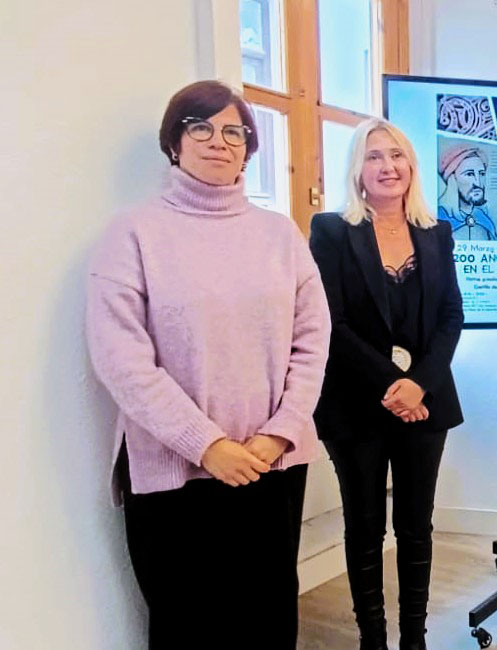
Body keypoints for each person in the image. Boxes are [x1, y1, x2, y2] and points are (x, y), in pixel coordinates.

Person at [86, 80, 331, 650]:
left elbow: (312, 340)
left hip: (270, 464)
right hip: (173, 472)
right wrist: (206, 444)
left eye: (234, 132)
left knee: (267, 618)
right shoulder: (133, 232)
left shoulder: (281, 234)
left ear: (248, 147)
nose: (218, 142)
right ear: (174, 142)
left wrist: (281, 433)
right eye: (201, 127)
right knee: (187, 623)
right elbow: (120, 358)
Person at [310, 118, 464, 650]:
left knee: (416, 526)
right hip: (354, 401)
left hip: (427, 401)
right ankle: (372, 640)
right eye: (375, 156)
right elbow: (330, 322)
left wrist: (419, 384)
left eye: (397, 156)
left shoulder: (437, 233)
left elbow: (450, 318)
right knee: (365, 527)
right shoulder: (331, 231)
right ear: (358, 168)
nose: (388, 166)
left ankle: (414, 639)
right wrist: (395, 385)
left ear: (412, 167)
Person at [436, 145, 497, 240]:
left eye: (481, 174)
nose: (478, 182)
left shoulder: (483, 219)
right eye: (469, 174)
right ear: (452, 179)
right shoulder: (438, 217)